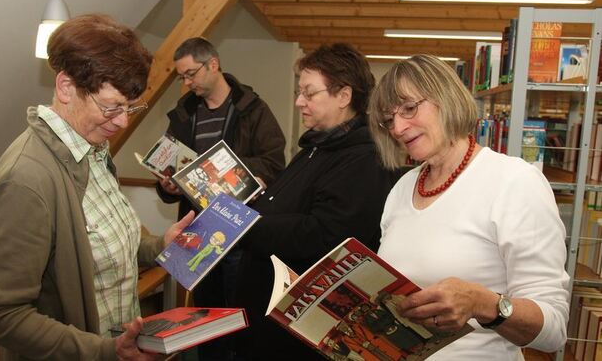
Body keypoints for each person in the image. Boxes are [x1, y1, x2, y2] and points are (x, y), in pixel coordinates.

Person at [0, 14, 194, 360]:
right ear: (66, 88)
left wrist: (158, 246)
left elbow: (105, 247)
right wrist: (106, 351)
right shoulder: (25, 180)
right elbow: (2, 316)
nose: (122, 121)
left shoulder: (93, 150)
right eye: (111, 107)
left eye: (129, 108)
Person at [368, 54, 570, 360]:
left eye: (409, 108)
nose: (397, 127)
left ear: (446, 98)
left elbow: (553, 330)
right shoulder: (402, 188)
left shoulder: (514, 182)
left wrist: (483, 303)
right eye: (388, 119)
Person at [235, 43, 398, 360]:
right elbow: (295, 207)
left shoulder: (364, 159)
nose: (298, 102)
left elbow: (325, 235)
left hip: (299, 336)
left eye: (309, 93)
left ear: (344, 96)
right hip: (270, 321)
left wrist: (246, 226)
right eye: (300, 92)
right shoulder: (316, 147)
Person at [155, 37, 286, 360]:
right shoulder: (183, 115)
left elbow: (273, 162)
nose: (186, 83)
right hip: (197, 234)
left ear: (213, 64)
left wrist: (232, 173)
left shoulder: (253, 109)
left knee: (238, 314)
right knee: (204, 317)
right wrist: (168, 186)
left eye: (190, 74)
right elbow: (170, 168)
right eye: (181, 77)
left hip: (239, 232)